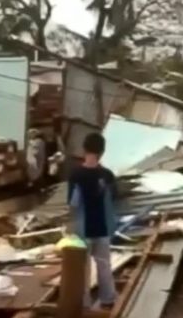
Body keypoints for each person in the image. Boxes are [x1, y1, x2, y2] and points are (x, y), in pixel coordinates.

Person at [67, 132, 117, 309]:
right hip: (102, 228)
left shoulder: (76, 175)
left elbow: (72, 203)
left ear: (84, 149)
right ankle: (108, 299)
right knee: (104, 265)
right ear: (102, 151)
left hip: (83, 229)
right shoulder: (108, 175)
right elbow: (113, 201)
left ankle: (85, 304)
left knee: (84, 269)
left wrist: (70, 227)